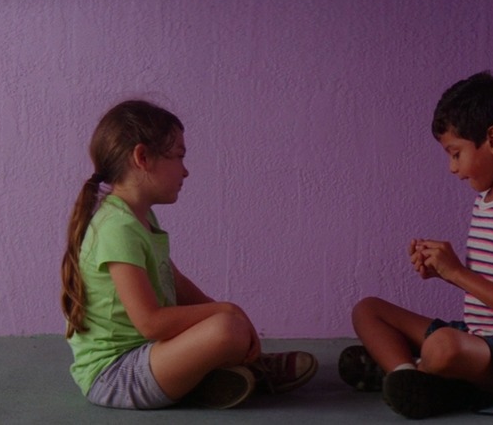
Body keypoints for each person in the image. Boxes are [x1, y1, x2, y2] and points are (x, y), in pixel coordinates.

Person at [338, 72, 493, 419]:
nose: (452, 168)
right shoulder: (487, 200)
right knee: (367, 310)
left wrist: (456, 273)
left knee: (444, 345)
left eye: (455, 153)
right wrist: (441, 271)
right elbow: (488, 290)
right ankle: (408, 379)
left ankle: (418, 374)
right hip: (482, 338)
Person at [61, 100, 318, 410]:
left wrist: (222, 312)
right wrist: (227, 312)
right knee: (226, 330)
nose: (186, 170)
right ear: (142, 157)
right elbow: (152, 324)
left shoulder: (139, 219)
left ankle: (208, 379)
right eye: (179, 156)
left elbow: (175, 280)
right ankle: (245, 369)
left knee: (226, 326)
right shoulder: (117, 228)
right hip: (115, 376)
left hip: (149, 354)